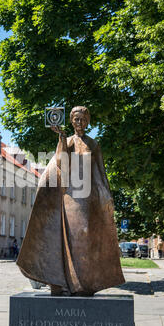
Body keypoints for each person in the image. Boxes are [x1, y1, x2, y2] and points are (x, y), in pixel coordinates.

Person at [17, 106, 125, 296]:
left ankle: (84, 284)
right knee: (69, 237)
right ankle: (64, 283)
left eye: (83, 119)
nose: (80, 123)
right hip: (69, 198)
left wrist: (106, 196)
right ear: (71, 121)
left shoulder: (93, 144)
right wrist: (60, 137)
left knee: (85, 238)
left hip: (88, 199)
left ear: (88, 121)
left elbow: (100, 174)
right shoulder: (66, 142)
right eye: (76, 119)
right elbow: (61, 163)